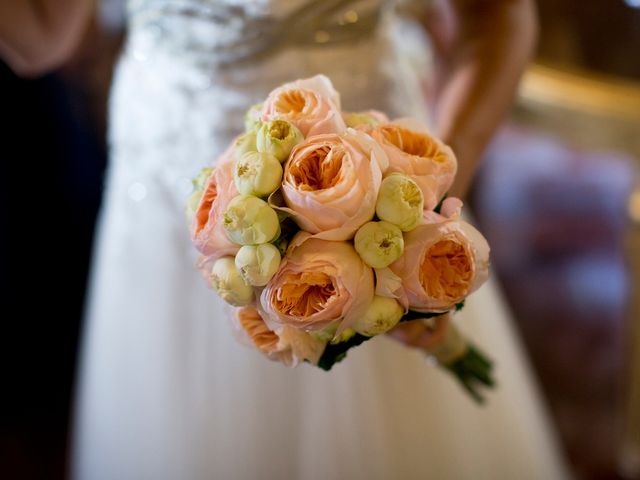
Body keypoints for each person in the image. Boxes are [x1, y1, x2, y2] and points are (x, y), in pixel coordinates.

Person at [65, 0, 570, 478]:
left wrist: (423, 213)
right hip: (159, 167)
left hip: (381, 181)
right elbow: (40, 41)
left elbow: (495, 15)